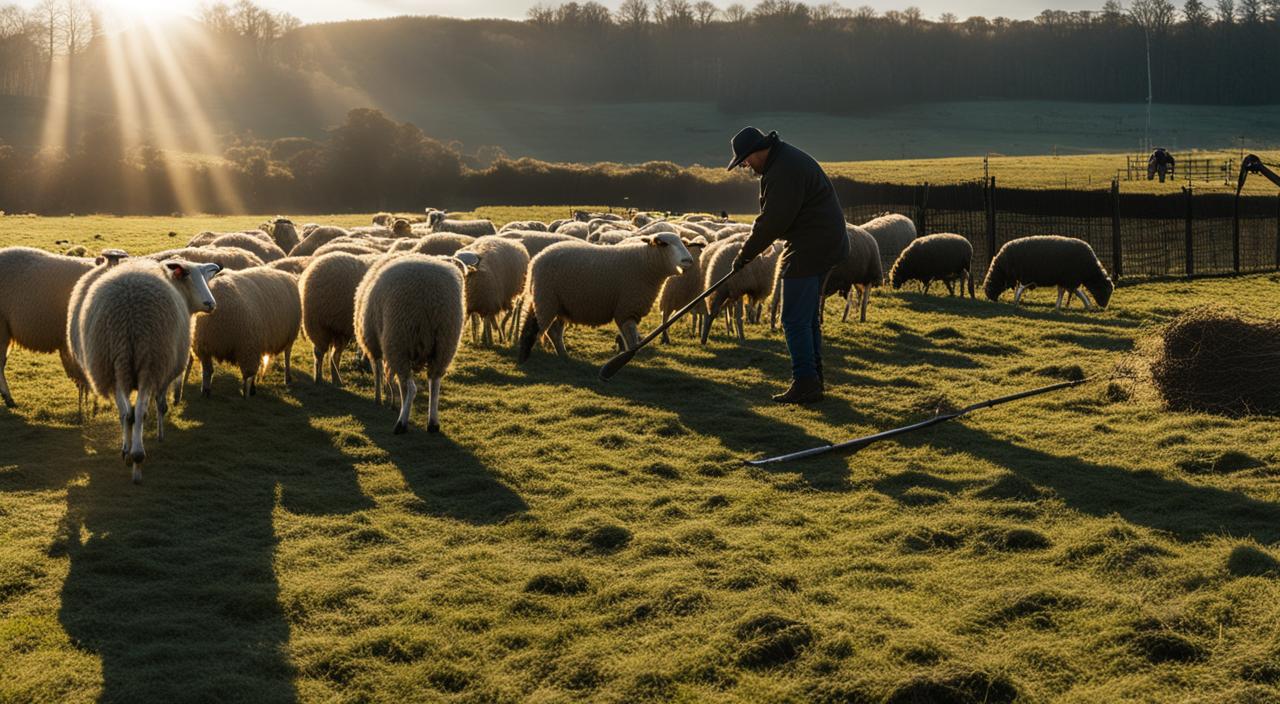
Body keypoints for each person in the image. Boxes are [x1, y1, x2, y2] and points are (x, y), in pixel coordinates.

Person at [726, 127, 848, 404]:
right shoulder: (783, 162)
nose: (746, 167)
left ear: (757, 151)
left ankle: (805, 382)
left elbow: (773, 221)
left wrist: (745, 256)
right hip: (821, 242)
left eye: (745, 161)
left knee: (793, 319)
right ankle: (813, 379)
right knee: (806, 318)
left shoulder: (783, 171)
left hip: (813, 245)